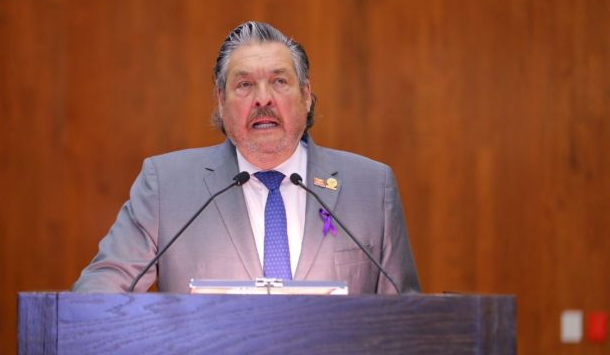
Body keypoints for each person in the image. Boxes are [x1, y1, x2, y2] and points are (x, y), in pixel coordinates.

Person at [72, 21, 421, 294]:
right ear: (221, 102)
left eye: (279, 81)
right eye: (244, 85)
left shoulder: (372, 188)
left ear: (307, 95)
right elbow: (99, 292)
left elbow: (407, 321)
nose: (263, 99)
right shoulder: (166, 186)